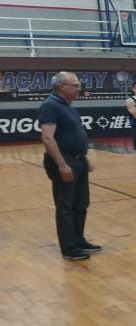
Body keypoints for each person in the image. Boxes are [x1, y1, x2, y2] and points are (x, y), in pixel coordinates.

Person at [38, 72, 100, 261]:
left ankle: (78, 240)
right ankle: (69, 247)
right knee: (66, 206)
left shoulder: (68, 106)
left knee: (81, 204)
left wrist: (84, 158)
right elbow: (47, 138)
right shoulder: (50, 105)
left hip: (77, 161)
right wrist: (62, 165)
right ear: (62, 87)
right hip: (64, 161)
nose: (79, 89)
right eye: (75, 85)